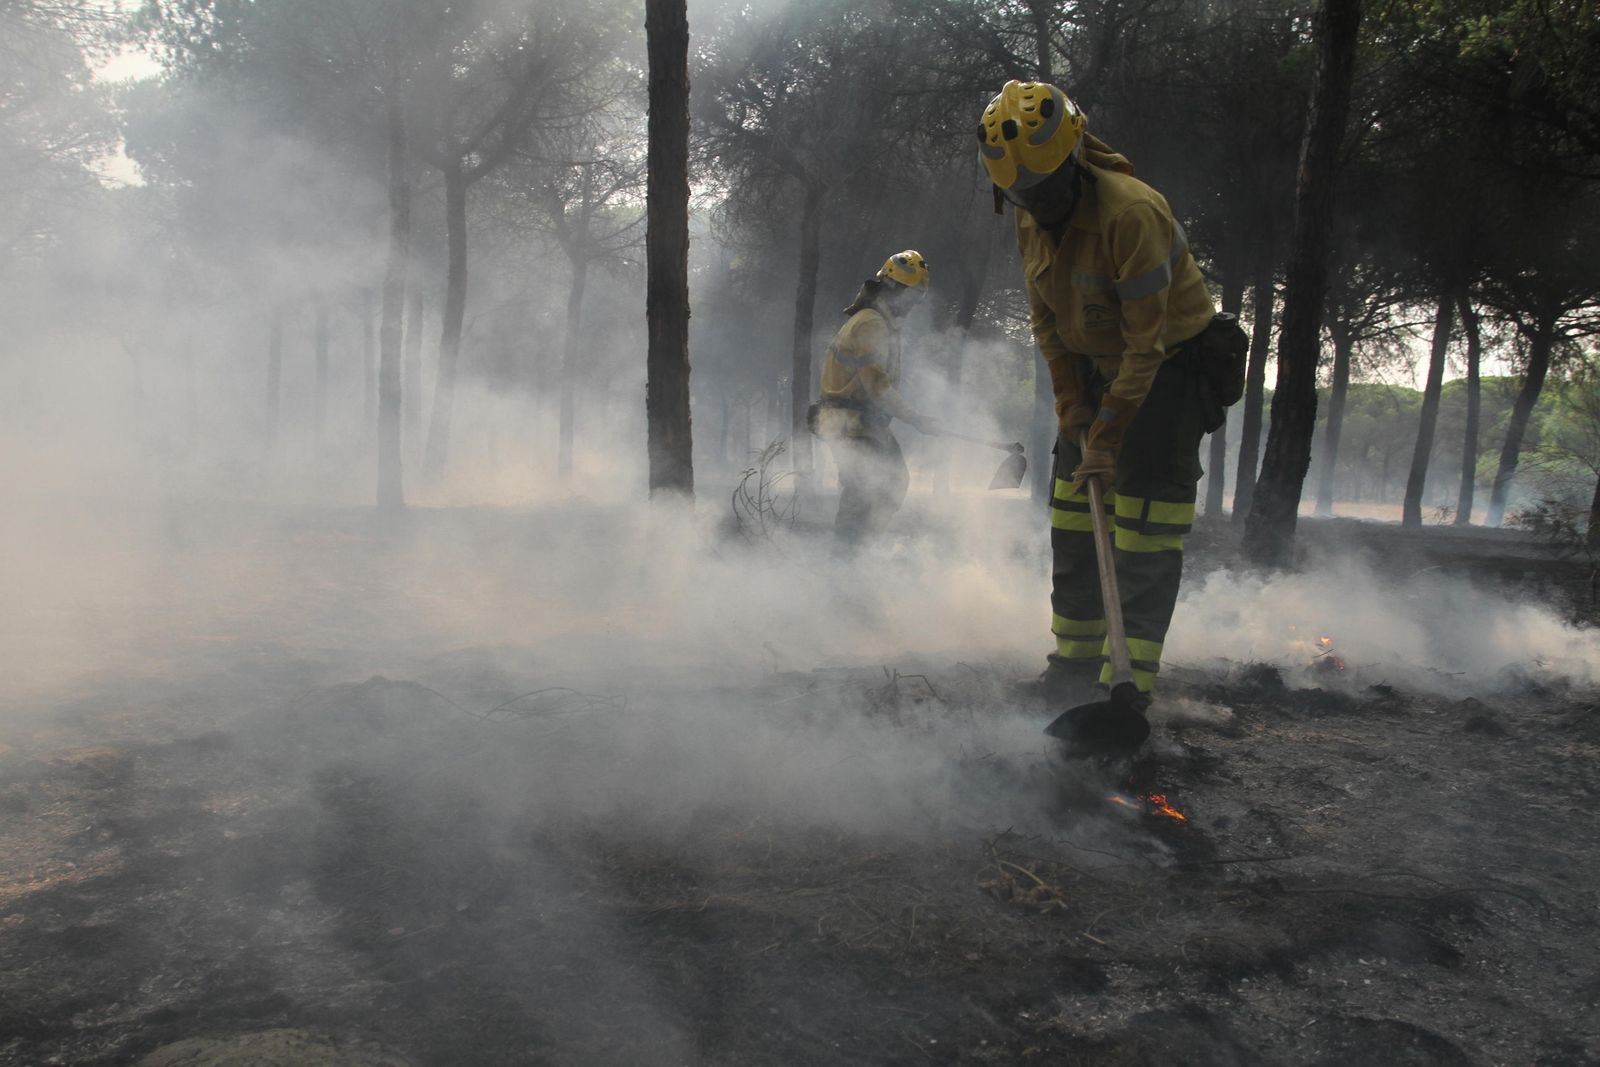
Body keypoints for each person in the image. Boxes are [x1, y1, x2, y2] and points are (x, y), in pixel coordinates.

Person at [978, 79, 1237, 742]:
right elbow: (1045, 320)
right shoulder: (1030, 215)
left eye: (1046, 192)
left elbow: (1146, 343)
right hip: (1095, 371)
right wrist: (1071, 402)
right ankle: (1072, 666)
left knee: (1144, 531)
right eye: (1022, 197)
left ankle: (1128, 691)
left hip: (1168, 375)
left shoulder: (1132, 213)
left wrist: (1112, 430)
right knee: (1073, 514)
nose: (1039, 208)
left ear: (1073, 163)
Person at [810, 250, 942, 549]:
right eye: (911, 297)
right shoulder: (872, 324)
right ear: (894, 289)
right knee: (862, 494)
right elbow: (876, 387)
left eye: (917, 299)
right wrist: (917, 418)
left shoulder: (876, 320)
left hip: (860, 423)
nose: (912, 305)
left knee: (890, 485)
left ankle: (858, 554)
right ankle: (845, 565)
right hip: (850, 424)